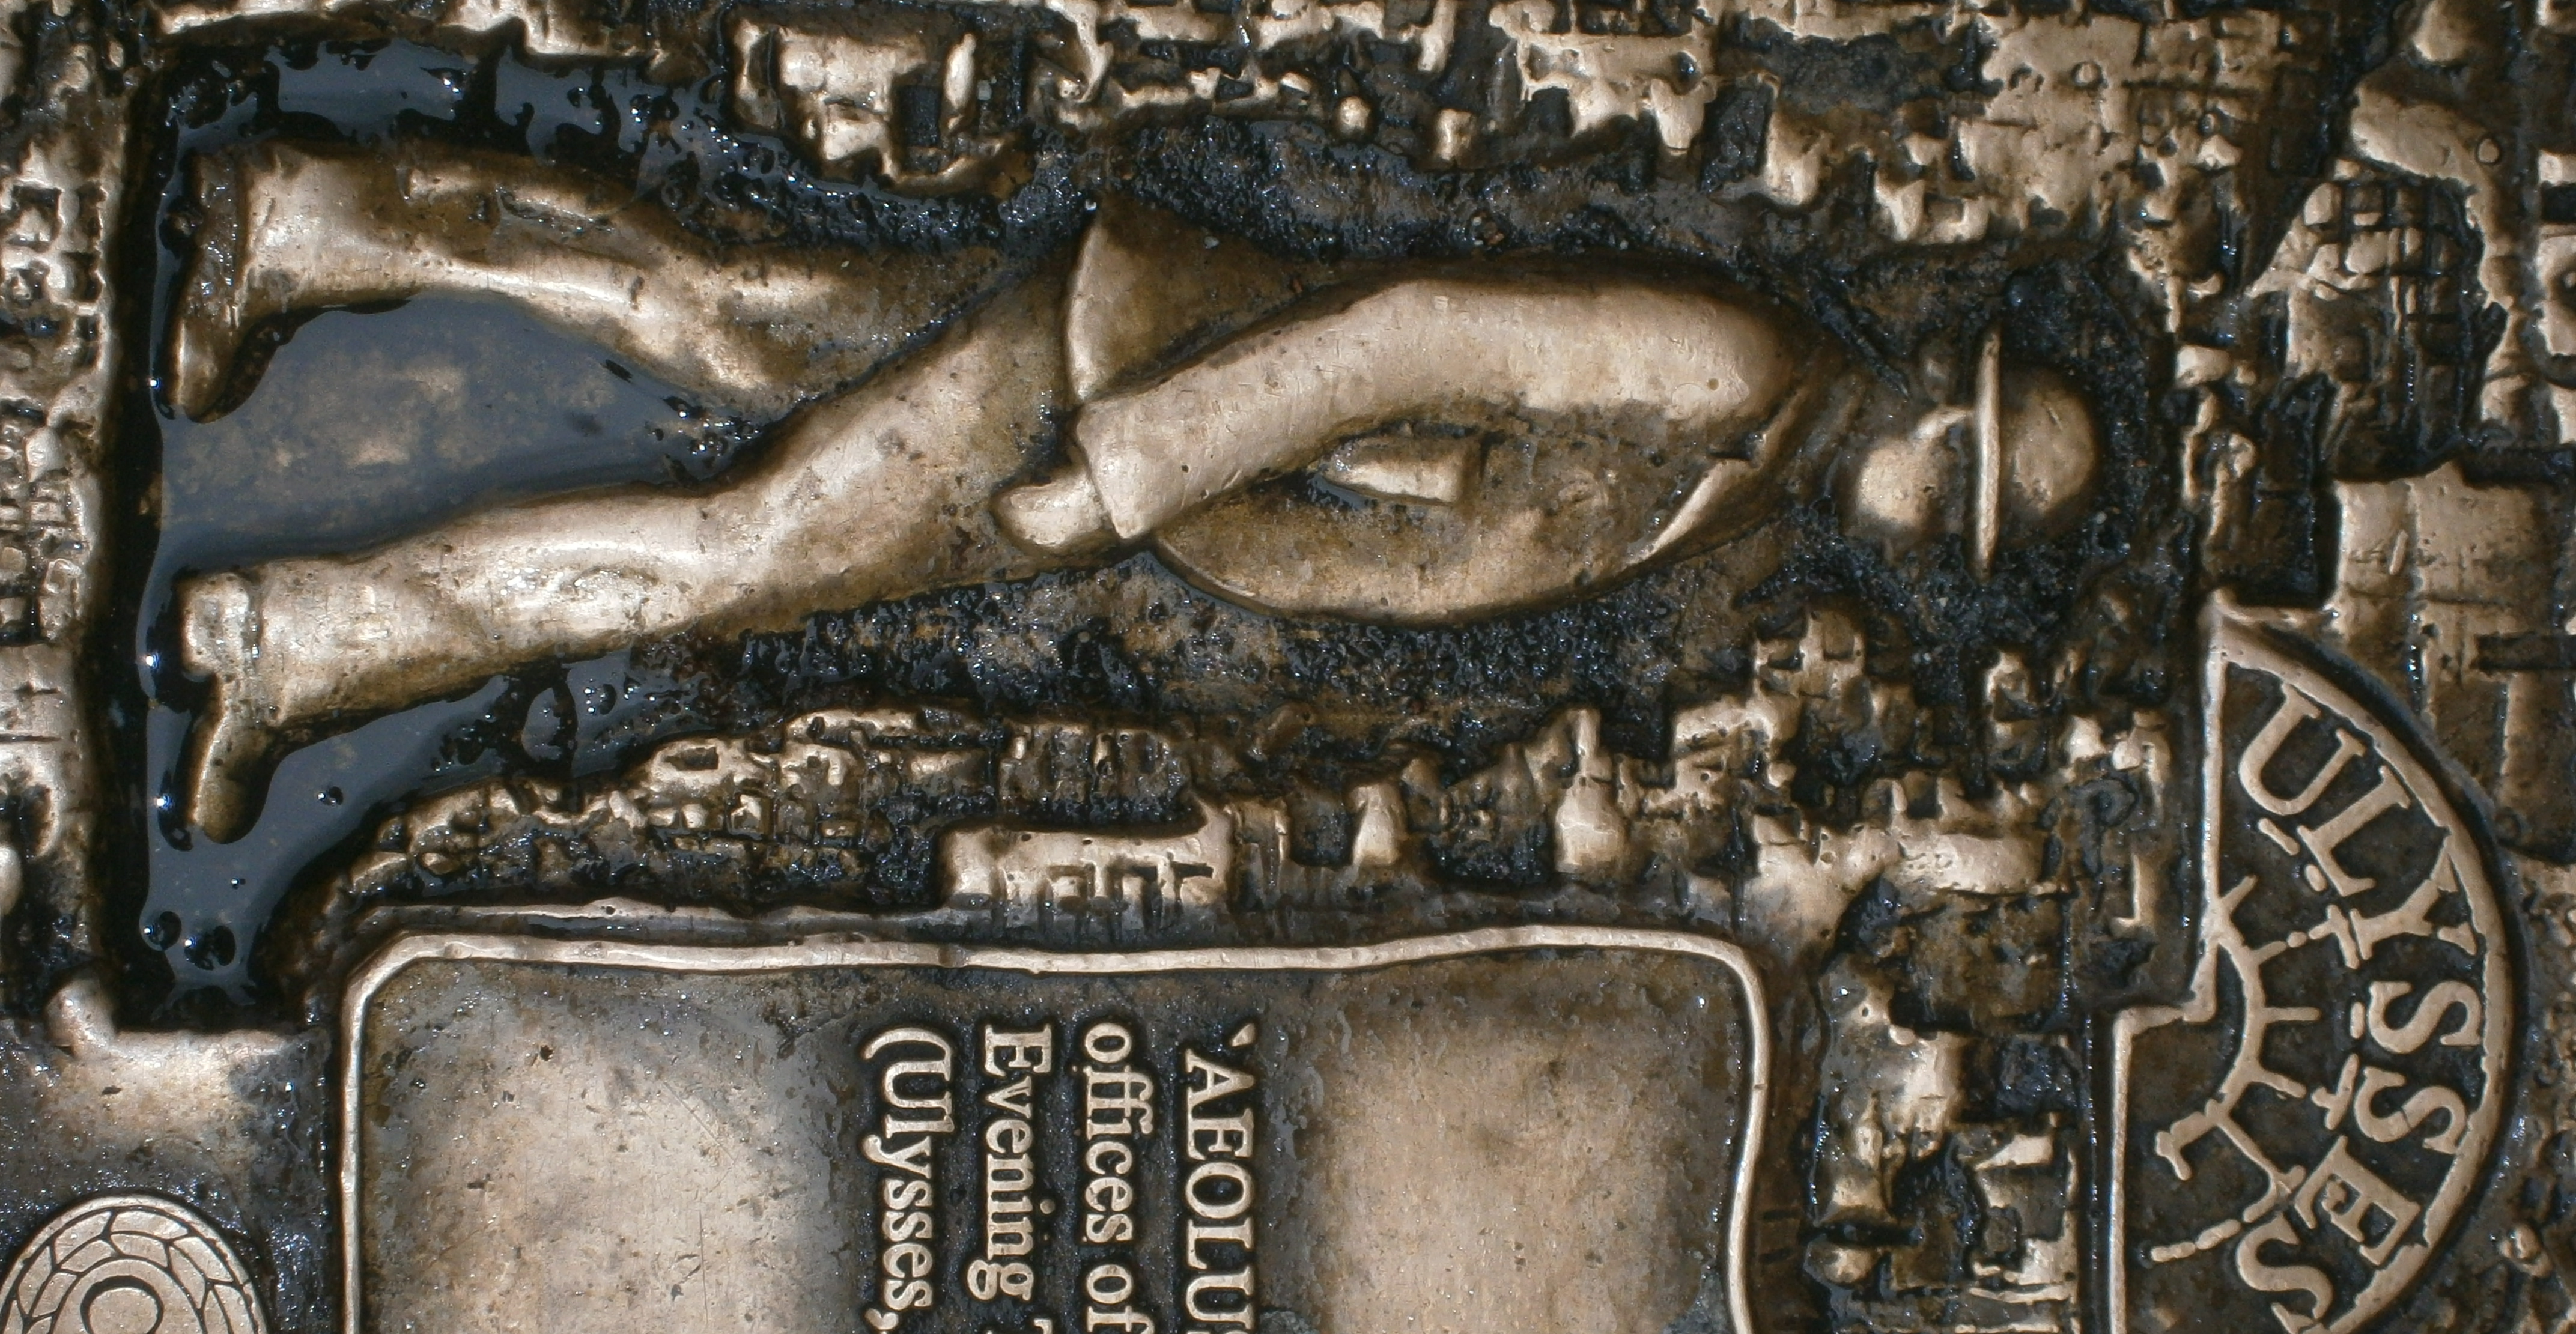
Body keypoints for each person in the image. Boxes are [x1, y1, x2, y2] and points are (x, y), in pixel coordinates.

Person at [162, 138, 2101, 840]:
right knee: (728, 554)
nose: (1933, 525)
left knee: (722, 308)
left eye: (1968, 530)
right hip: (1111, 399)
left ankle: (308, 211)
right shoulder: (1732, 370)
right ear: (1938, 407)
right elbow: (1408, 333)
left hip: (1125, 358)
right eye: (1961, 480)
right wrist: (1118, 481)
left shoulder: (1755, 482)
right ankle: (293, 642)